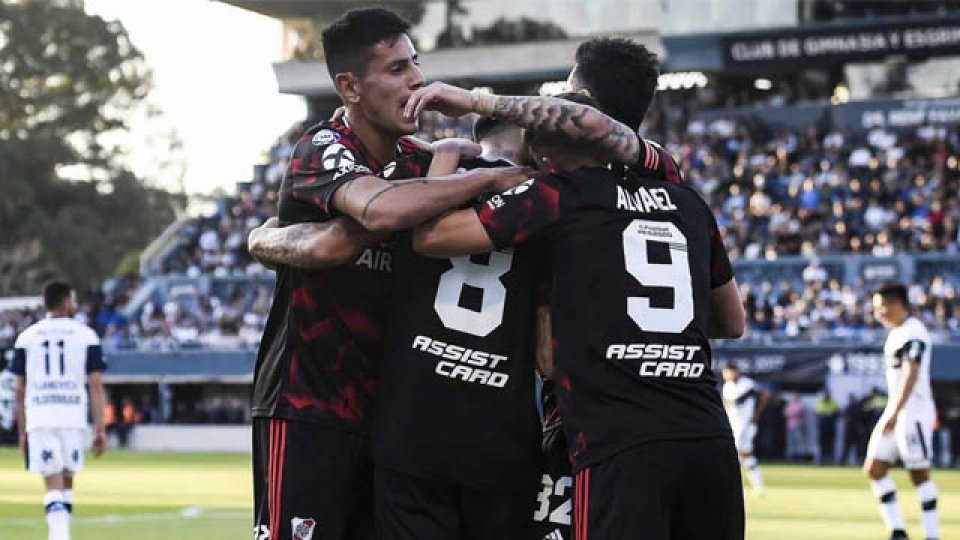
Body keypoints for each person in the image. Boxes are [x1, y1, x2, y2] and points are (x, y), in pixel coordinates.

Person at [247, 8, 530, 540]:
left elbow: (519, 163)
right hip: (310, 409)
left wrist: (462, 153)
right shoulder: (323, 147)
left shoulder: (422, 164)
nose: (418, 79)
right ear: (349, 86)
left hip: (389, 424)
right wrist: (484, 177)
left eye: (416, 64)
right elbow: (379, 211)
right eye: (397, 69)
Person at [411, 92, 747, 539]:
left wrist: (470, 173)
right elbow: (731, 322)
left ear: (537, 152)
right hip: (709, 438)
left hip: (619, 443)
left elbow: (430, 236)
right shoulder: (687, 201)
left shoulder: (558, 196)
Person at [11, 281, 107, 540]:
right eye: (73, 300)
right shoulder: (86, 335)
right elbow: (95, 384)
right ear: (65, 302)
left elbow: (19, 388)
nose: (75, 304)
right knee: (66, 479)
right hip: (72, 416)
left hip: (40, 416)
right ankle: (60, 536)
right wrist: (101, 428)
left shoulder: (26, 337)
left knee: (52, 480)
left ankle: (59, 535)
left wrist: (22, 431)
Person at [864, 283, 940, 540]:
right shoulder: (896, 332)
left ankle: (932, 535)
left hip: (912, 411)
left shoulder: (913, 331)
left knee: (919, 474)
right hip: (895, 409)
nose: (878, 313)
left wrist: (895, 412)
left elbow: (912, 370)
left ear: (897, 304)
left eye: (881, 307)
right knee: (874, 468)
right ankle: (898, 531)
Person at [721, 362, 769, 493]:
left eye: (729, 372)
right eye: (724, 373)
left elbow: (765, 395)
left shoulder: (747, 384)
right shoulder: (727, 387)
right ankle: (759, 487)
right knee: (746, 456)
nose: (726, 375)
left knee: (732, 454)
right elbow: (727, 407)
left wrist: (757, 414)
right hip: (733, 425)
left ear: (736, 371)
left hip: (745, 425)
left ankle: (728, 487)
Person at [814, 389, 840, 464]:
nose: (826, 396)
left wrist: (829, 415)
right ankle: (820, 460)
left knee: (830, 445)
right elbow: (817, 415)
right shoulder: (819, 403)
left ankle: (830, 460)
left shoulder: (834, 403)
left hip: (831, 428)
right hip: (822, 428)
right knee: (821, 444)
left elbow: (837, 415)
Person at [784, 393, 807, 461]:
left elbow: (797, 412)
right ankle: (790, 456)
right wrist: (791, 412)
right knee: (790, 442)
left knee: (799, 442)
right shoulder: (790, 404)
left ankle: (800, 456)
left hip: (798, 425)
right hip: (789, 426)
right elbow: (785, 412)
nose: (795, 398)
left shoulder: (800, 405)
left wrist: (791, 412)